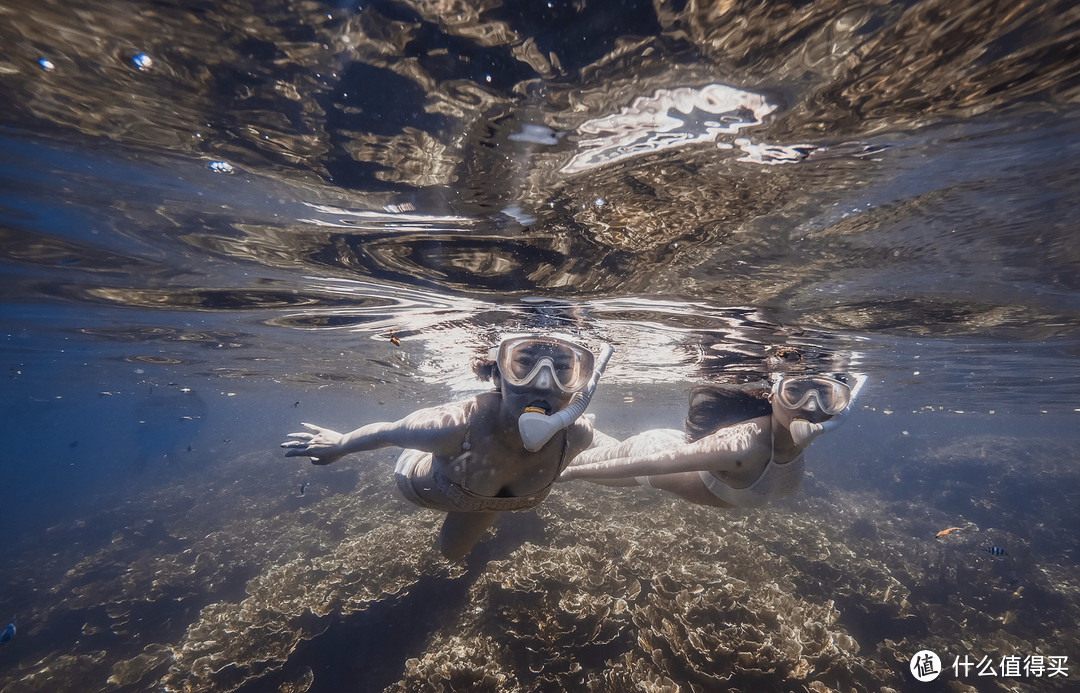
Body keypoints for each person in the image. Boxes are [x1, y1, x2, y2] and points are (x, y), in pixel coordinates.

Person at [281, 335, 612, 560]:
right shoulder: (451, 427)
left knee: (451, 555)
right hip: (419, 477)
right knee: (451, 548)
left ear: (582, 386)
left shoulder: (578, 435)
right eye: (524, 364)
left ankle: (487, 499)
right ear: (498, 375)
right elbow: (387, 433)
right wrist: (339, 445)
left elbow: (613, 446)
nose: (544, 382)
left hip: (482, 502)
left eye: (564, 369)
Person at [559, 374, 866, 508]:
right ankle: (574, 430)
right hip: (651, 457)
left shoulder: (795, 437)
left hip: (668, 447)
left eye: (825, 395)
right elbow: (649, 463)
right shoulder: (741, 447)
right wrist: (572, 473)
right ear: (773, 394)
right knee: (566, 461)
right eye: (794, 391)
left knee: (597, 445)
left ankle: (585, 428)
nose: (810, 406)